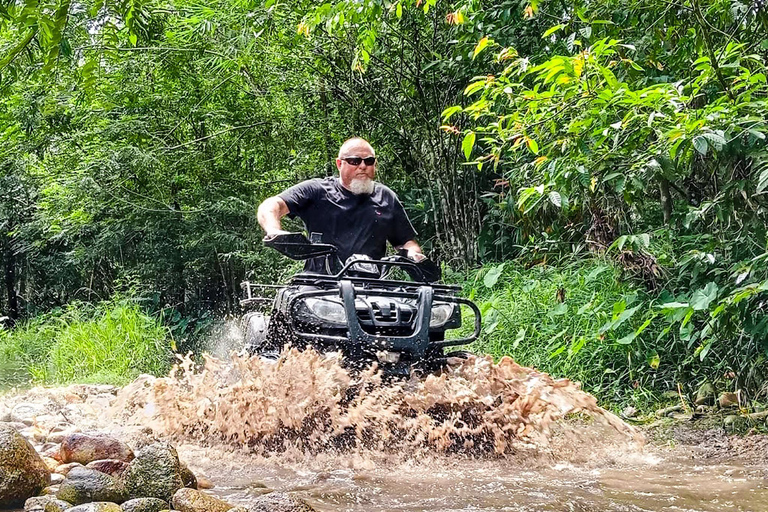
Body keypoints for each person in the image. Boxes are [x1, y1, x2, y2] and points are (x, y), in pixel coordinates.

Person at [257, 137, 425, 273]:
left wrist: (414, 255)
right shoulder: (318, 190)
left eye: (369, 161)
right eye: (354, 161)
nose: (362, 166)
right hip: (320, 285)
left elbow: (405, 241)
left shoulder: (386, 197)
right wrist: (274, 231)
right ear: (339, 164)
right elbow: (272, 205)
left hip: (373, 286)